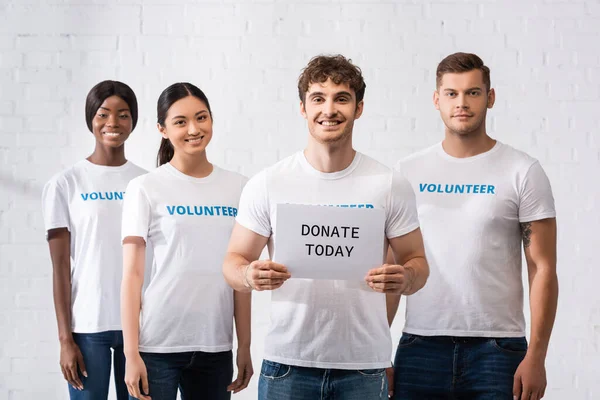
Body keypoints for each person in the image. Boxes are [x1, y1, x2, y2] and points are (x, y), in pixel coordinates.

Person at [222, 55, 429, 400]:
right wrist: (248, 275)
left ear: (359, 108)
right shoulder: (268, 183)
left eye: (341, 98)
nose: (328, 109)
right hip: (287, 364)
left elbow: (419, 263)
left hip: (364, 366)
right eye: (318, 98)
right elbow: (233, 260)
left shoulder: (389, 184)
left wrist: (406, 278)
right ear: (303, 108)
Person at [391, 52, 558, 400]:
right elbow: (394, 265)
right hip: (420, 345)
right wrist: (378, 350)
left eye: (473, 92)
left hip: (498, 350)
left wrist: (537, 357)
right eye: (451, 94)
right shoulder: (407, 172)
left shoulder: (522, 170)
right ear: (437, 100)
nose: (461, 103)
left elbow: (542, 268)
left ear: (490, 97)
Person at [121, 82, 253, 400]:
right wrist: (131, 354)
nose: (193, 129)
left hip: (216, 347)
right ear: (162, 129)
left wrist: (244, 345)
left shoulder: (240, 187)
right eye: (180, 121)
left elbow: (240, 275)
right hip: (157, 346)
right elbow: (132, 276)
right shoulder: (145, 188)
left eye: (201, 117)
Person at [42, 80, 145, 399]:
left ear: (133, 120)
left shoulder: (145, 183)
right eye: (103, 113)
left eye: (123, 114)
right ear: (91, 118)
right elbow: (60, 267)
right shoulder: (65, 184)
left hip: (141, 326)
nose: (113, 122)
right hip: (88, 326)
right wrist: (65, 340)